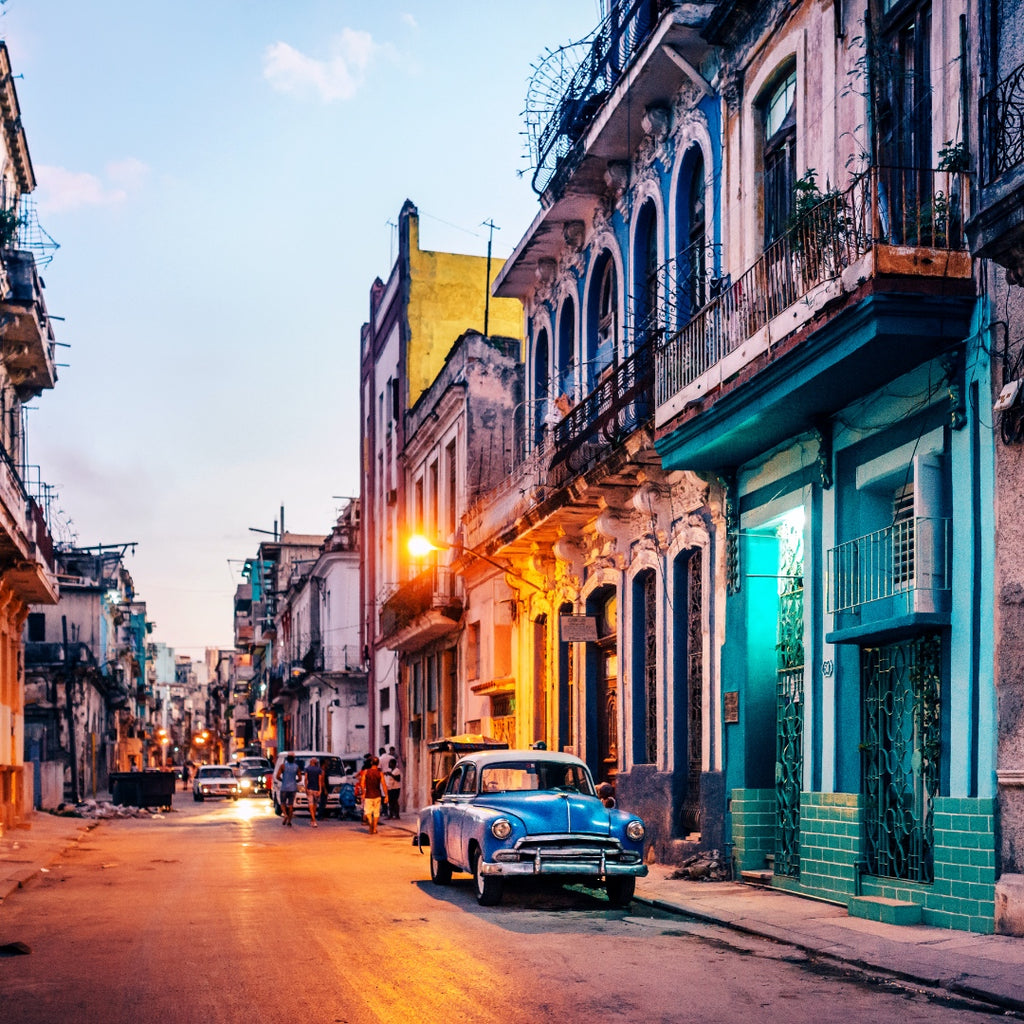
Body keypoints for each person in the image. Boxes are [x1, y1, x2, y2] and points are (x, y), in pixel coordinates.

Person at [362, 755, 388, 835]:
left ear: (371, 762)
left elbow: (362, 784)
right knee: (376, 812)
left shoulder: (366, 772)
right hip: (377, 795)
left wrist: (363, 793)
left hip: (368, 795)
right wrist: (386, 795)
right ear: (378, 763)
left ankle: (370, 821)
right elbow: (384, 784)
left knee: (368, 811)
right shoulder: (380, 773)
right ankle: (374, 828)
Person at [275, 753, 300, 827]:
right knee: (291, 805)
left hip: (284, 788)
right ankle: (289, 821)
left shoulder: (283, 766)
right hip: (293, 788)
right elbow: (300, 778)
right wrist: (295, 782)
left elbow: (277, 776)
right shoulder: (296, 767)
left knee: (283, 803)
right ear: (294, 759)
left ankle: (285, 815)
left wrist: (283, 780)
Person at [303, 757, 323, 828]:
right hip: (316, 789)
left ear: (311, 762)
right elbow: (319, 780)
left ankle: (313, 820)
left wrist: (306, 788)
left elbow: (305, 779)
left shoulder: (307, 769)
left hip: (310, 788)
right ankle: (313, 820)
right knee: (315, 804)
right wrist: (320, 790)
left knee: (310, 804)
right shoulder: (319, 770)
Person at [384, 750, 402, 820]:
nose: (389, 765)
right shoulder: (392, 771)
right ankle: (391, 814)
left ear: (393, 764)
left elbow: (398, 779)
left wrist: (390, 774)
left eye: (390, 763)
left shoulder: (396, 770)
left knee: (394, 801)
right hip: (391, 788)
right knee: (391, 802)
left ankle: (396, 815)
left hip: (395, 788)